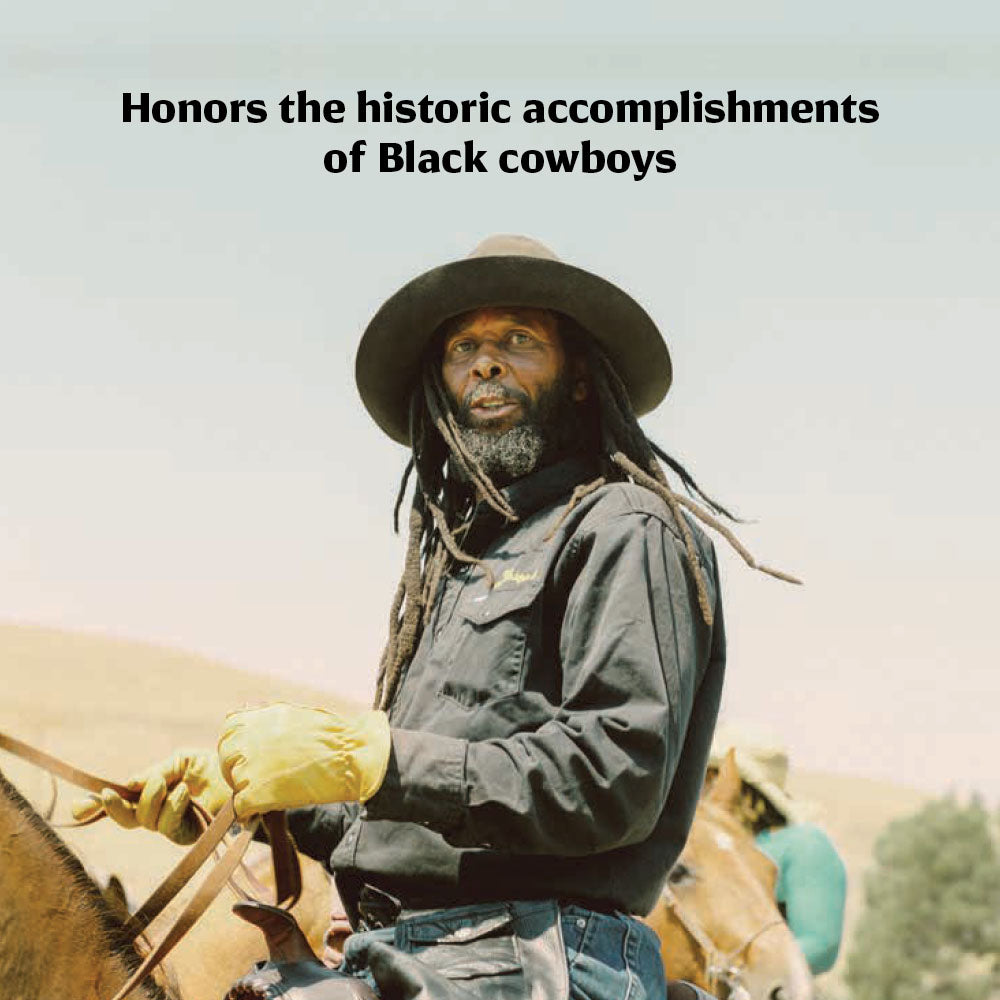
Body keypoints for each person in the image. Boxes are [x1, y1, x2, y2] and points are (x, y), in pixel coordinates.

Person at [75, 235, 795, 999]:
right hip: (409, 952)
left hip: (539, 958)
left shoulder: (625, 526)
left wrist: (376, 760)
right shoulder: (454, 567)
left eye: (519, 340)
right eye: (463, 348)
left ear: (581, 376)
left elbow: (612, 779)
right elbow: (407, 825)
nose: (486, 363)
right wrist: (259, 804)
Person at [707, 732, 847, 976]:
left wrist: (737, 966)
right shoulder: (706, 844)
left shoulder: (803, 844)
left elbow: (820, 944)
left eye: (709, 775)